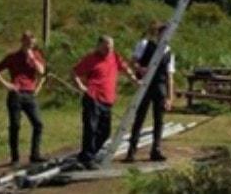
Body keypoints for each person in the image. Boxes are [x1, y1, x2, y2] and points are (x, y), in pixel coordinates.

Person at [72, 35, 138, 169]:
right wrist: (80, 86)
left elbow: (125, 68)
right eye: (106, 47)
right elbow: (74, 72)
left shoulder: (115, 56)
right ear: (99, 46)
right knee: (91, 128)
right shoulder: (91, 59)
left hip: (107, 99)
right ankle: (87, 158)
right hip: (93, 97)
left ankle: (87, 154)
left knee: (105, 131)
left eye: (111, 47)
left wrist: (135, 80)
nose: (109, 49)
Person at [0, 31, 47, 165]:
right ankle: (15, 157)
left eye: (32, 42)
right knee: (15, 125)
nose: (29, 44)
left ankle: (35, 154)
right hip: (16, 93)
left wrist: (32, 58)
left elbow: (41, 72)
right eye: (27, 41)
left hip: (29, 93)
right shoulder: (13, 57)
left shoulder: (36, 56)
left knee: (38, 124)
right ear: (22, 41)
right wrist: (6, 84)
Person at [124, 22, 176, 163]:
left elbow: (170, 77)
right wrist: (140, 69)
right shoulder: (144, 44)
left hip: (160, 87)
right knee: (139, 118)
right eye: (164, 33)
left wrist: (170, 98)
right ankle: (131, 151)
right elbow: (132, 62)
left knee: (159, 120)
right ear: (158, 34)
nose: (167, 36)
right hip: (145, 85)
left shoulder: (169, 52)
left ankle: (156, 150)